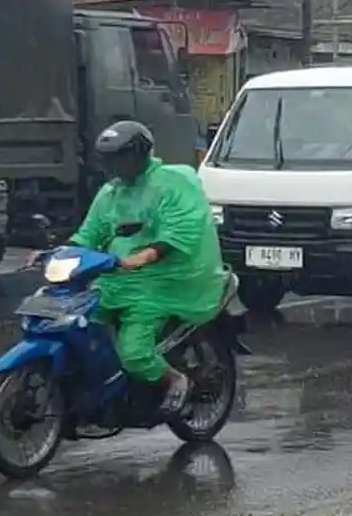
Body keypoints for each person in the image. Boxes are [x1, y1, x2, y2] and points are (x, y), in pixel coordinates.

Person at [35, 120, 226, 413]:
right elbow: (89, 234)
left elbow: (182, 229)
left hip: (163, 281)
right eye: (109, 159)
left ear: (140, 154)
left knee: (134, 353)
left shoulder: (173, 182)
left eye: (120, 158)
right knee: (77, 323)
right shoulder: (110, 193)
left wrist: (148, 254)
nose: (114, 167)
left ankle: (175, 380)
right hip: (117, 277)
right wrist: (58, 253)